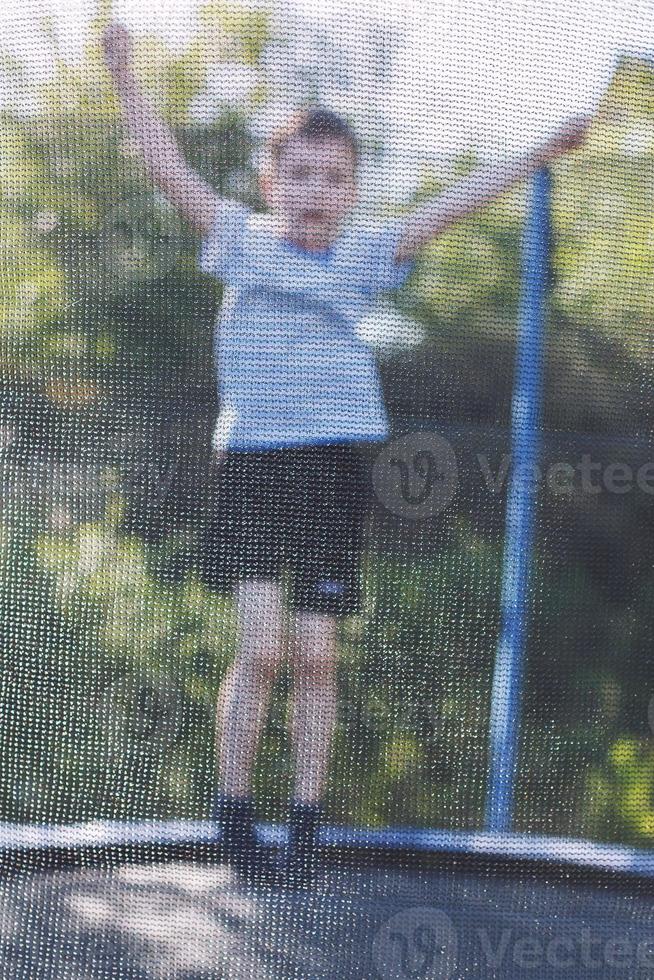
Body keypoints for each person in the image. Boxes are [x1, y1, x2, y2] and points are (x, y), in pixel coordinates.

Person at [101, 20, 590, 888]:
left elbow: (456, 202)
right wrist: (126, 77)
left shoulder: (368, 253)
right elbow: (165, 166)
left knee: (318, 655)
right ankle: (234, 812)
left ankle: (306, 822)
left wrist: (538, 152)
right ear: (272, 182)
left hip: (334, 466)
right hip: (255, 462)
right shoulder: (240, 239)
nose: (314, 191)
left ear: (353, 189)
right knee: (260, 650)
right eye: (299, 175)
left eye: (332, 177)